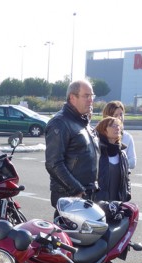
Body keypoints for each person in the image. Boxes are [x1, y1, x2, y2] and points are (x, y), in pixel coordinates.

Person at [45, 79, 100, 210]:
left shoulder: (82, 121)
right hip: (71, 196)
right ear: (72, 98)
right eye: (86, 96)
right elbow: (53, 163)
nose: (91, 100)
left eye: (92, 96)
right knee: (69, 231)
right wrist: (77, 189)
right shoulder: (60, 123)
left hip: (86, 194)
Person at [94, 117, 131, 202]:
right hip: (99, 204)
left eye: (118, 126)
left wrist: (127, 194)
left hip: (118, 204)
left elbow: (127, 178)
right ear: (104, 130)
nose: (117, 128)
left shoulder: (122, 154)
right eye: (113, 126)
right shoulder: (97, 153)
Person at [102, 101, 137, 169]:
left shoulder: (127, 137)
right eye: (115, 115)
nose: (119, 118)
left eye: (121, 114)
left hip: (121, 178)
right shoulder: (98, 136)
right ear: (107, 117)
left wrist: (116, 166)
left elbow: (133, 162)